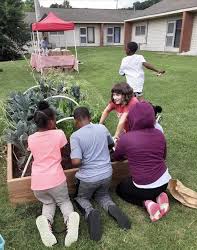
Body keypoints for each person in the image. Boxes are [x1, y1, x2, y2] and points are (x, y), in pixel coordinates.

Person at [70, 107, 131, 241]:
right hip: (107, 174)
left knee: (81, 198)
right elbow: (111, 145)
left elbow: (75, 161)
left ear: (76, 121)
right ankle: (112, 207)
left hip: (88, 179)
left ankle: (90, 212)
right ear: (90, 118)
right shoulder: (102, 128)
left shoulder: (76, 136)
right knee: (103, 195)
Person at [28, 101, 80, 247]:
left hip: (37, 183)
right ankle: (70, 219)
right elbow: (63, 149)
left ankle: (46, 221)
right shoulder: (59, 134)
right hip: (56, 180)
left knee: (48, 202)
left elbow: (32, 151)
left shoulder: (31, 138)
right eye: (55, 118)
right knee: (63, 201)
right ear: (51, 122)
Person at [113, 101, 171, 222]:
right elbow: (163, 156)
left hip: (143, 188)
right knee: (141, 183)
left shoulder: (126, 138)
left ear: (132, 117)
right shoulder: (159, 134)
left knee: (120, 189)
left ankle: (147, 203)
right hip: (164, 182)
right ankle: (160, 196)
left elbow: (117, 157)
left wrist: (121, 147)